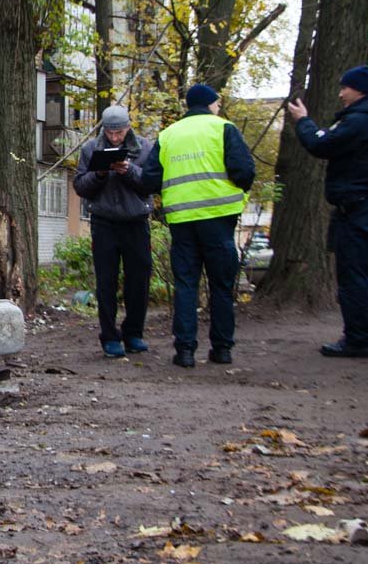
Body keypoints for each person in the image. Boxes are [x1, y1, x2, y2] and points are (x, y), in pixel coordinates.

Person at [286, 66, 368, 358]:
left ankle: (358, 340)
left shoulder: (360, 121)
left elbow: (321, 144)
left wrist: (303, 121)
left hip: (357, 206)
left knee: (352, 276)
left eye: (345, 88)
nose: (340, 93)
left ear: (359, 89)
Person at [142, 84, 255, 368]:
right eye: (217, 102)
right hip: (219, 217)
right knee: (221, 285)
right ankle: (222, 349)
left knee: (186, 285)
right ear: (209, 103)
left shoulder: (168, 135)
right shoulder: (223, 128)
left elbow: (150, 180)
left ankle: (185, 351)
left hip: (182, 220)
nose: (219, 106)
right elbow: (244, 170)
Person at [73, 104, 154, 358]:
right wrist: (99, 174)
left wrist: (129, 170)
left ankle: (134, 333)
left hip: (136, 221)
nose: (115, 137)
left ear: (128, 127)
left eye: (119, 132)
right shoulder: (90, 149)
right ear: (104, 130)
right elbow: (80, 186)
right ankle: (109, 337)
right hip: (104, 223)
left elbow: (151, 183)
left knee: (138, 281)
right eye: (110, 132)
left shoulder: (144, 148)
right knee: (105, 282)